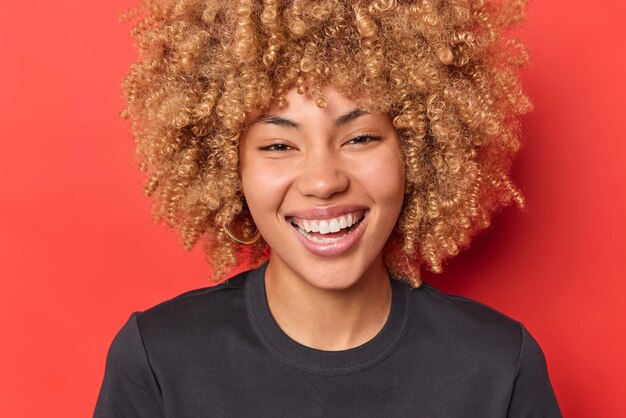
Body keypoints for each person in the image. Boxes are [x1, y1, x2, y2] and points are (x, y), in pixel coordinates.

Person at [95, 0, 561, 416]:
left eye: (360, 138)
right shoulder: (158, 360)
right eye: (278, 144)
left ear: (417, 153)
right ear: (226, 167)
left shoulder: (499, 367)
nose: (323, 181)